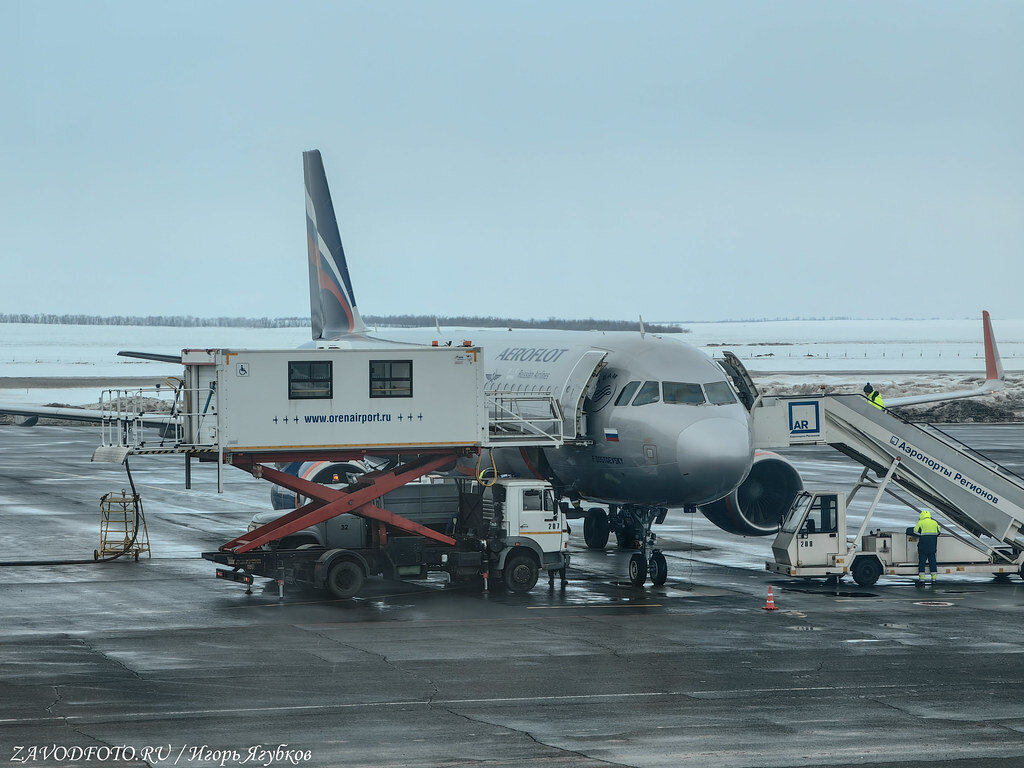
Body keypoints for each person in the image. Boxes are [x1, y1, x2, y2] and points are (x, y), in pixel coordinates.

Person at [913, 509, 941, 582]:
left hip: (923, 547)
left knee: (922, 562)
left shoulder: (920, 522)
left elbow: (915, 532)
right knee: (932, 562)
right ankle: (934, 577)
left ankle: (922, 578)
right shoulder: (935, 523)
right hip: (932, 546)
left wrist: (922, 535)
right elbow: (938, 532)